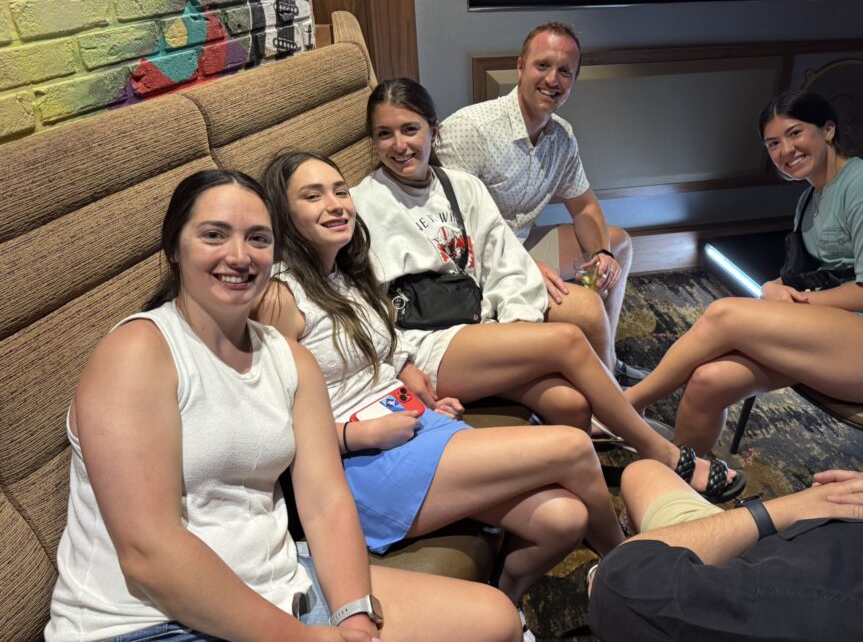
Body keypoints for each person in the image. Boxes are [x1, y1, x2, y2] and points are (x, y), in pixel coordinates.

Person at [45, 169, 519, 642]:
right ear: (174, 248)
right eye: (214, 235)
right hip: (143, 622)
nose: (239, 256)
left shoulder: (289, 359)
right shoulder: (138, 352)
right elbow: (149, 553)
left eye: (257, 238)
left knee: (494, 619)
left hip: (277, 584)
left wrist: (354, 616)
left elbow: (325, 501)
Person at [257, 150, 628, 612]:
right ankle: (631, 566)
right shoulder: (279, 296)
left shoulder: (348, 274)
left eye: (340, 191)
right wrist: (357, 436)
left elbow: (379, 356)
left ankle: (507, 606)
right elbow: (265, 424)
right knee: (573, 448)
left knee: (564, 519)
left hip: (409, 422)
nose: (335, 205)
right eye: (312, 196)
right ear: (283, 214)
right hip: (361, 464)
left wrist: (413, 389)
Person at [351, 77, 745, 504]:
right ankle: (661, 454)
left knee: (572, 404)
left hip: (480, 331)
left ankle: (583, 499)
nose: (399, 145)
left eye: (410, 129)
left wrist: (515, 333)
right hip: (428, 344)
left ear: (433, 129)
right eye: (384, 134)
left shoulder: (460, 187)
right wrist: (402, 363)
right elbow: (360, 303)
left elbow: (508, 263)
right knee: (568, 339)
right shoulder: (362, 204)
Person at [625, 90, 863, 453]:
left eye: (795, 133)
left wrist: (798, 303)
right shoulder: (812, 196)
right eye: (773, 143)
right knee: (708, 380)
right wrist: (772, 287)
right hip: (843, 326)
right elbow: (815, 273)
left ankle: (628, 405)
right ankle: (685, 486)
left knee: (724, 314)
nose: (785, 151)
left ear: (827, 130)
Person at [589, 407, 863, 641]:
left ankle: (627, 415)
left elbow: (623, 584)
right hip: (857, 544)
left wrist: (787, 508)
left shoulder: (813, 609)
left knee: (642, 474)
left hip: (744, 562)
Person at [435, 22, 646, 384]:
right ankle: (611, 400)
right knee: (589, 309)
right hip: (477, 263)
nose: (553, 79)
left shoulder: (561, 135)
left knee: (618, 245)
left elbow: (585, 208)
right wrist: (522, 266)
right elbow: (449, 230)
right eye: (543, 65)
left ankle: (604, 357)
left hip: (519, 245)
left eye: (565, 71)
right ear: (520, 67)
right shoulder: (471, 129)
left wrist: (602, 255)